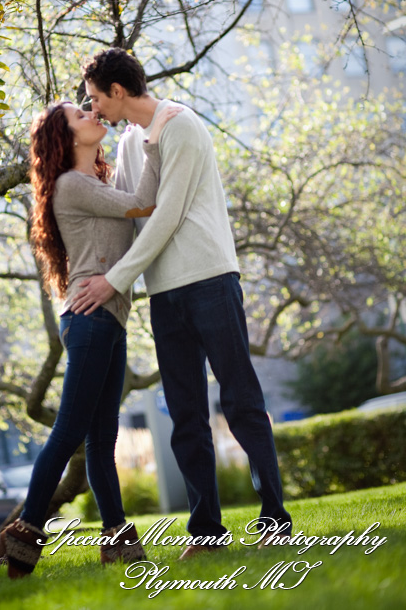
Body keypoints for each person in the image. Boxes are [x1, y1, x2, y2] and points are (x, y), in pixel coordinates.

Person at [72, 48, 292, 559]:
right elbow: (132, 212)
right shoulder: (131, 141)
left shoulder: (182, 126)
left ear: (118, 92)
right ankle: (207, 533)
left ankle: (275, 520)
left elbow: (166, 215)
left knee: (240, 400)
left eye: (95, 98)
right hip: (163, 293)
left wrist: (114, 281)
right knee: (186, 414)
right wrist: (103, 271)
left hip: (211, 279)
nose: (94, 107)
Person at [0, 99, 179, 578]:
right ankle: (26, 531)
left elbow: (131, 206)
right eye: (82, 115)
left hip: (106, 318)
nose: (94, 115)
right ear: (67, 137)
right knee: (71, 431)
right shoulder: (72, 185)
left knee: (100, 438)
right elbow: (144, 203)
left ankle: (116, 539)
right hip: (91, 319)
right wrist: (156, 143)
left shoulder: (93, 182)